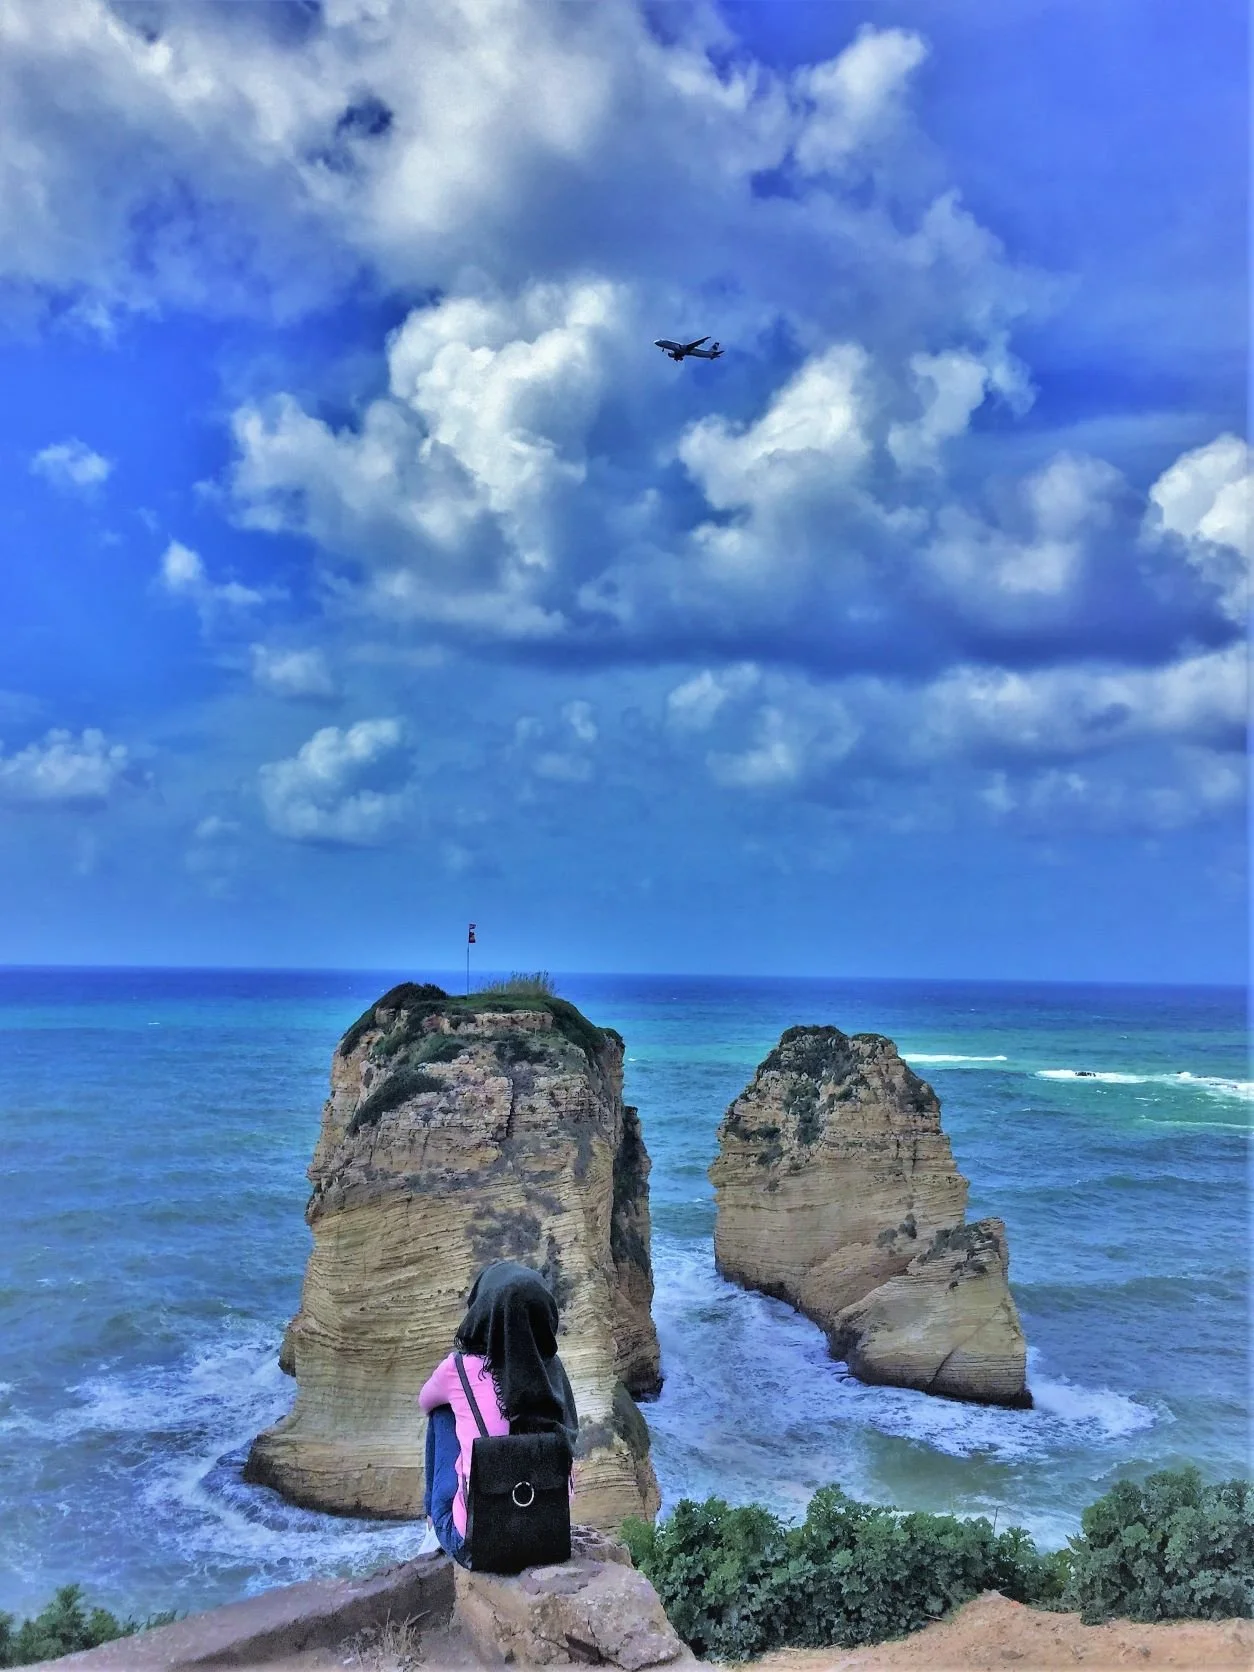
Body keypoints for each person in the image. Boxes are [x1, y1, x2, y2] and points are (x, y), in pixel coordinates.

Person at [418, 1259, 578, 1566]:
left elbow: (425, 1400)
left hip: (479, 1545)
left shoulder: (458, 1368)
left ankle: (434, 1518)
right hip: (547, 1538)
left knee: (441, 1411)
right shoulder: (552, 1369)